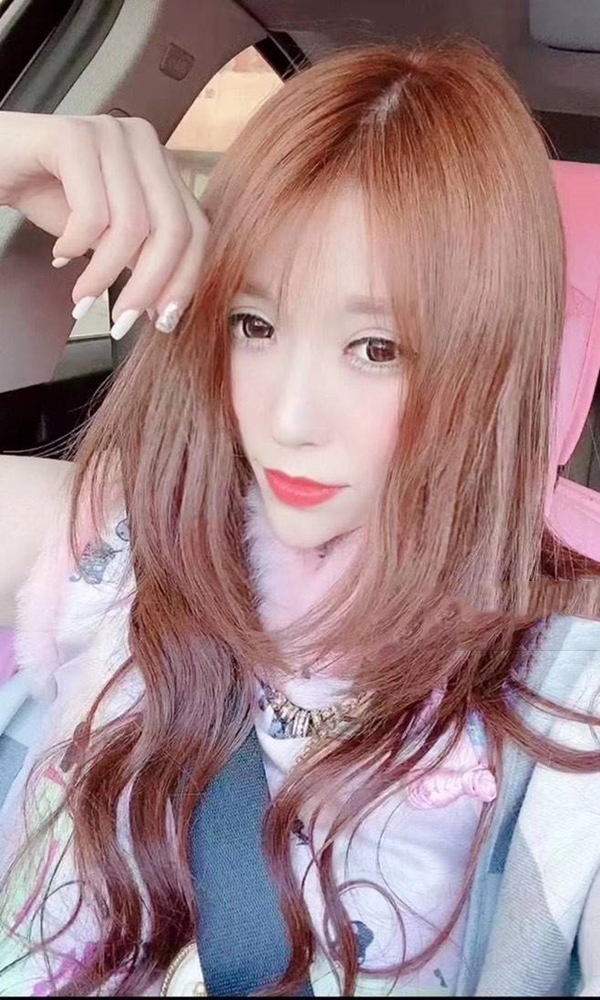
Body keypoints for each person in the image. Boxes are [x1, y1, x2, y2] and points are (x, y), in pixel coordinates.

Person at [1, 37, 600, 998]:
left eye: (376, 347)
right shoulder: (117, 541)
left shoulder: (559, 676)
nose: (287, 420)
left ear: (485, 363)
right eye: (257, 325)